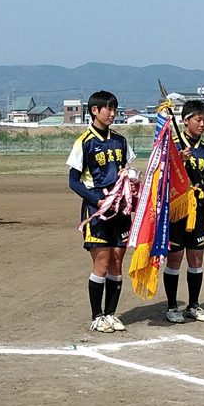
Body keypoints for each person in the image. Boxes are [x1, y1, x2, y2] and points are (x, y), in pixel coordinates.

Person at [68, 90, 135, 333]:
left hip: (120, 209)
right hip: (97, 211)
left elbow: (128, 169)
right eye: (108, 108)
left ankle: (110, 314)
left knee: (117, 261)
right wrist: (97, 201)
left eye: (115, 109)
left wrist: (132, 181)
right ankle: (97, 316)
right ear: (94, 110)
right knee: (103, 262)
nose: (113, 113)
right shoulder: (84, 142)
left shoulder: (120, 141)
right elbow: (73, 181)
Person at [163, 99, 204, 323]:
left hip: (199, 210)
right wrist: (177, 160)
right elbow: (160, 177)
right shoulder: (171, 145)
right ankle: (172, 306)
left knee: (196, 258)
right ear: (185, 121)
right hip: (176, 209)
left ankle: (193, 304)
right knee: (175, 258)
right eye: (198, 120)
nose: (202, 124)